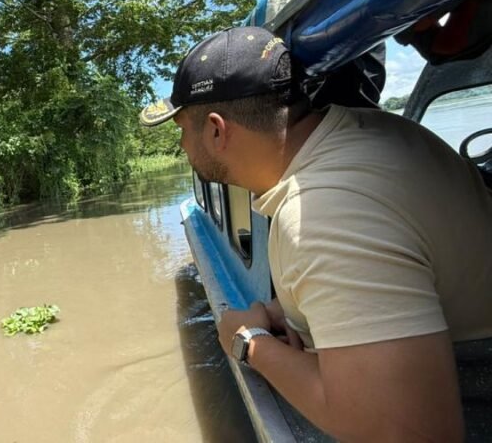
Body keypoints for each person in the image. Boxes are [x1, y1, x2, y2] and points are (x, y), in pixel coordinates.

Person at [140, 26, 492, 441]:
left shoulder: (321, 212)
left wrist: (248, 340)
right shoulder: (368, 133)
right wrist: (285, 311)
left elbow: (407, 432)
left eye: (182, 128)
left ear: (216, 130)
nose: (181, 145)